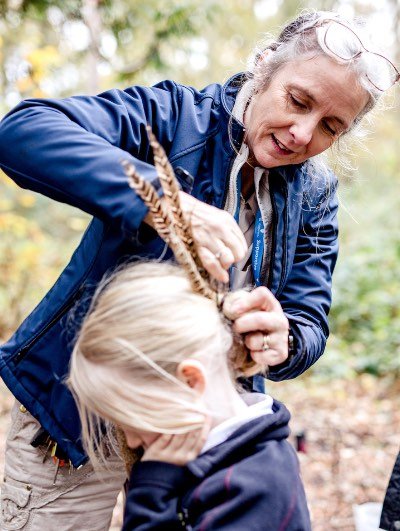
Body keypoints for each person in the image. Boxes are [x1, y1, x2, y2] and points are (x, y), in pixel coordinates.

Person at [0, 7, 397, 529]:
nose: (303, 133)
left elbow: (307, 320)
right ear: (263, 68)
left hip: (203, 428)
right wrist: (160, 199)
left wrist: (284, 339)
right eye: (298, 101)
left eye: (330, 126)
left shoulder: (316, 195)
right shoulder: (173, 119)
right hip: (78, 416)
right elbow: (23, 132)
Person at [67, 259, 311, 531]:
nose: (132, 439)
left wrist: (151, 490)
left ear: (191, 382)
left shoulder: (252, 488)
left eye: (133, 420)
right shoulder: (222, 458)